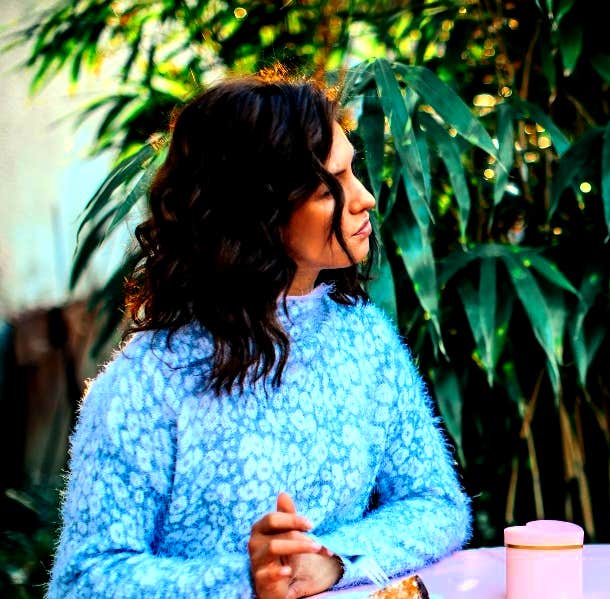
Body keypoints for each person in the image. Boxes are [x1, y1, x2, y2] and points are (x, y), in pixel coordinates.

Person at [48, 75, 471, 598]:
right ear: (259, 213)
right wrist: (246, 579)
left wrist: (331, 559)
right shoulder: (148, 381)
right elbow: (83, 581)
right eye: (329, 186)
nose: (364, 199)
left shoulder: (366, 343)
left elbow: (436, 504)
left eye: (353, 169)